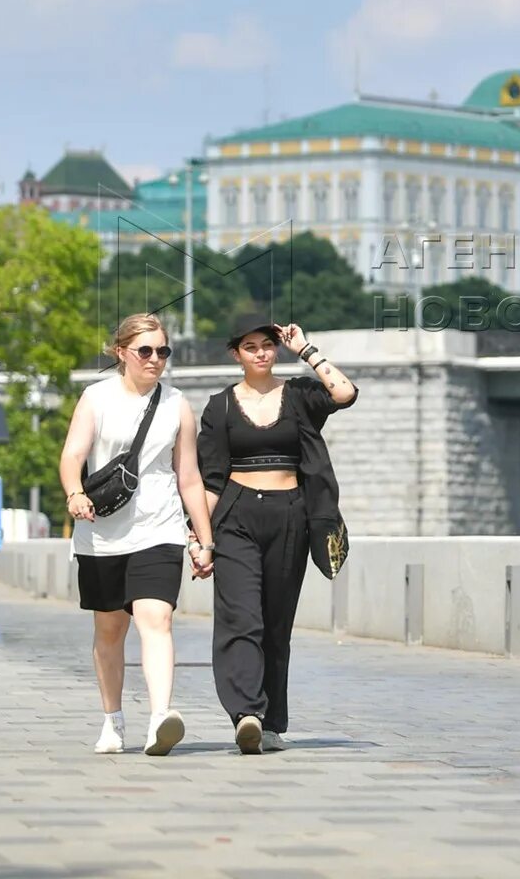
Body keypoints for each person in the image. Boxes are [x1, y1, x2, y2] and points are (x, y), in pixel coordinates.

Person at [57, 313, 217, 757]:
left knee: (156, 619)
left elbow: (189, 477)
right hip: (102, 535)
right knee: (110, 630)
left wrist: (204, 539)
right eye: (145, 350)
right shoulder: (96, 398)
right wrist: (75, 493)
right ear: (121, 352)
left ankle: (160, 717)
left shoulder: (177, 405)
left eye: (163, 351)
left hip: (159, 529)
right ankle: (112, 721)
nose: (155, 359)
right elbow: (73, 455)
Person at [198, 313, 357, 754]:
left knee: (275, 624)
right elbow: (211, 479)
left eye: (267, 345)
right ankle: (246, 712)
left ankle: (270, 722)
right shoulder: (220, 407)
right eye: (250, 347)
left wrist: (304, 349)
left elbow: (344, 393)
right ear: (236, 354)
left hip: (290, 515)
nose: (261, 353)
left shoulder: (301, 395)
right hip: (235, 516)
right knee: (241, 618)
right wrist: (200, 538)